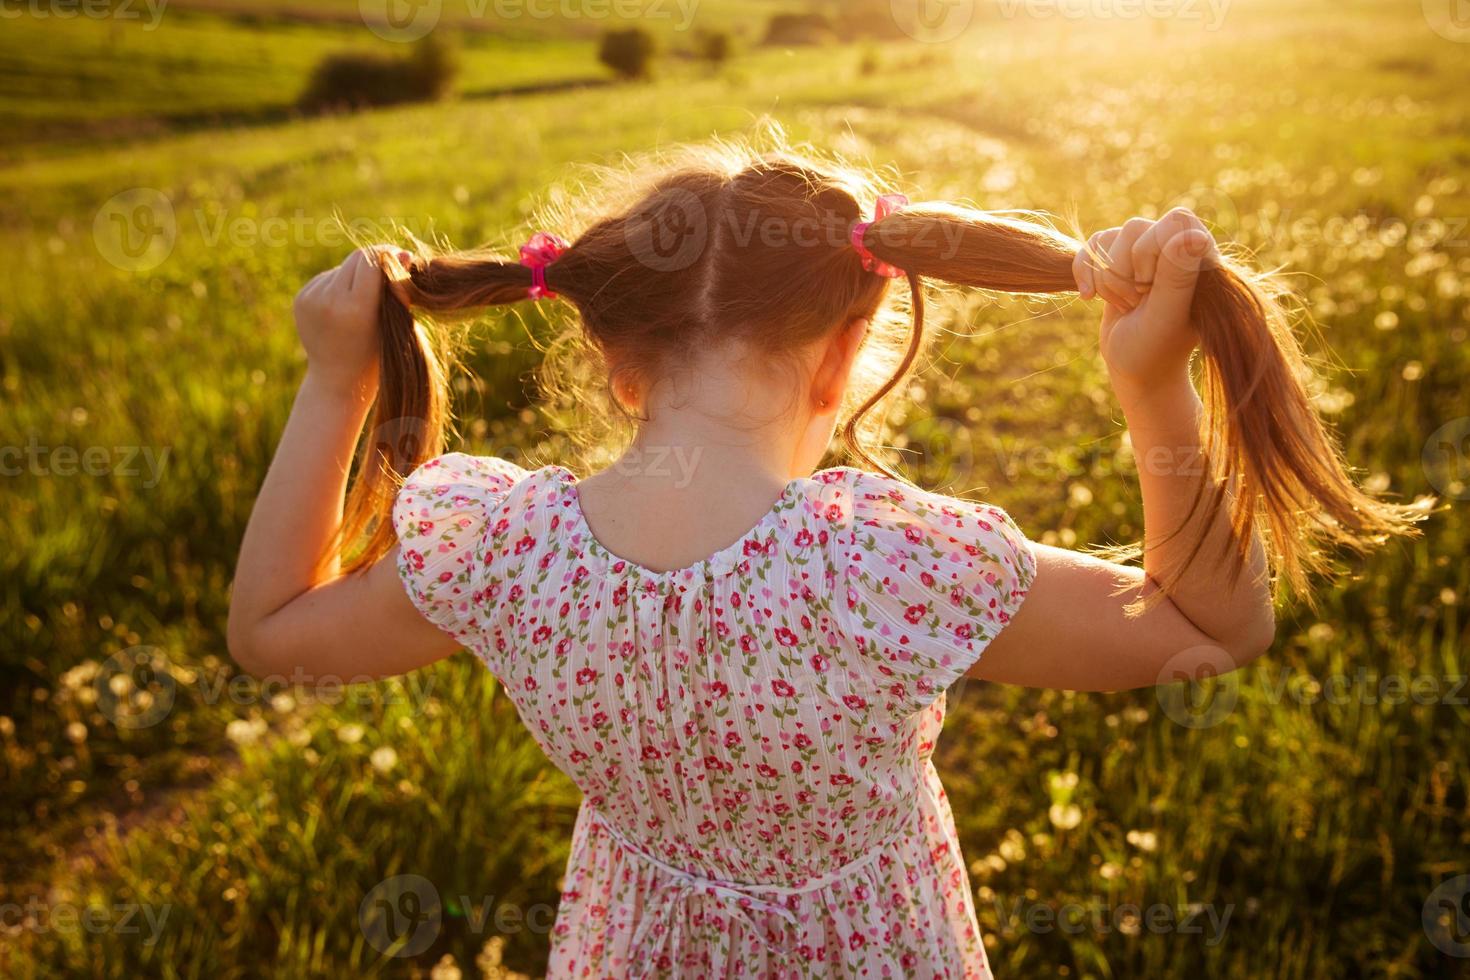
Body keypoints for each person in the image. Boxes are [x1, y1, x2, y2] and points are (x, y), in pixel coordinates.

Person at [228, 142, 1419, 977]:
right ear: (849, 355)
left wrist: (341, 377)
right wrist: (1152, 382)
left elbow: (271, 626)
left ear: (609, 357)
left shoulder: (504, 548)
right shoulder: (880, 569)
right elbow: (1213, 626)